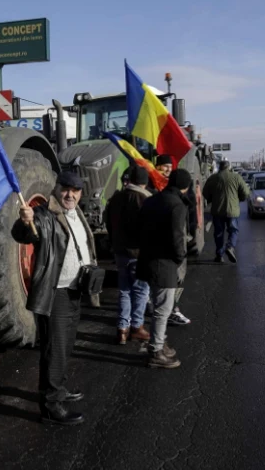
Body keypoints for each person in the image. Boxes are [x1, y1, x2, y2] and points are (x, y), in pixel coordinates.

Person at [12, 171, 96, 426]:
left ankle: (58, 387)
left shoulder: (76, 214)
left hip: (74, 290)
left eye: (76, 190)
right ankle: (51, 406)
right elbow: (26, 234)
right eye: (66, 189)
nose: (70, 194)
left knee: (65, 345)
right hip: (55, 293)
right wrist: (25, 221)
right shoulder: (44, 216)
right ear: (56, 189)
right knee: (54, 350)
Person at [137, 169, 193, 368]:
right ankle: (156, 351)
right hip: (165, 263)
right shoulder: (177, 205)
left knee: (158, 306)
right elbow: (178, 238)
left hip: (147, 260)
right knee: (163, 309)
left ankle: (159, 342)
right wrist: (180, 259)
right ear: (185, 187)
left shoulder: (152, 200)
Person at [105, 166, 152, 345]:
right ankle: (136, 327)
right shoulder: (145, 199)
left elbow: (108, 223)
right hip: (138, 253)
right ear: (145, 182)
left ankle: (122, 329)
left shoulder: (116, 198)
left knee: (124, 290)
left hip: (119, 251)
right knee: (141, 290)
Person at [149, 154, 192, 326]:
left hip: (168, 244)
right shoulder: (153, 186)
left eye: (169, 166)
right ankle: (169, 315)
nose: (167, 169)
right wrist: (179, 254)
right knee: (167, 282)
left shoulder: (174, 189)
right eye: (163, 166)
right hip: (163, 247)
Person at [202, 161, 250, 263]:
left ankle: (219, 255)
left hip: (217, 210)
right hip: (233, 211)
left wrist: (212, 199)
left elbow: (205, 193)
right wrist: (239, 199)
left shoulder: (213, 178)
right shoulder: (236, 177)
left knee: (219, 233)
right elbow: (245, 193)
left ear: (220, 167)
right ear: (229, 167)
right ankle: (230, 247)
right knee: (233, 230)